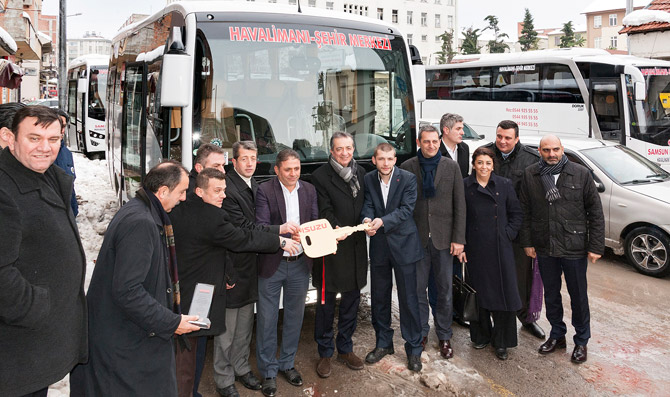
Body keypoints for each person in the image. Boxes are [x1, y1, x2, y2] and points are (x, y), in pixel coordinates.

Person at [70, 161, 201, 396]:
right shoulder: (141, 223)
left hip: (126, 338)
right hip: (125, 345)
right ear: (163, 192)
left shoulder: (140, 209)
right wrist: (171, 322)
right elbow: (128, 291)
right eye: (182, 192)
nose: (183, 198)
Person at [169, 167, 299, 397]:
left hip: (191, 285)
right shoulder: (212, 216)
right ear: (199, 191)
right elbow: (241, 238)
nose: (223, 195)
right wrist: (278, 242)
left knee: (193, 350)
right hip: (198, 290)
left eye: (224, 190)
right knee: (188, 354)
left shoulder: (185, 208)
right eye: (217, 190)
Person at [0, 106, 87, 397]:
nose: (45, 148)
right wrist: (38, 309)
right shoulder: (4, 190)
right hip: (17, 348)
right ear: (8, 138)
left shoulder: (46, 174)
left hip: (38, 345)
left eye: (54, 139)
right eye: (34, 138)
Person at [213, 141, 299, 397]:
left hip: (252, 266)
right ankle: (223, 378)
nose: (250, 163)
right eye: (244, 159)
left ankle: (241, 368)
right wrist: (279, 233)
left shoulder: (254, 185)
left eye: (253, 158)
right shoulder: (227, 189)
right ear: (234, 162)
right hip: (234, 267)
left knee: (244, 326)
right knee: (226, 330)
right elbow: (243, 230)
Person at [519, 135, 605, 364]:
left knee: (578, 296)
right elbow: (525, 211)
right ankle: (557, 335)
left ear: (562, 149)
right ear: (539, 151)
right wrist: (527, 242)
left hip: (574, 247)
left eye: (555, 149)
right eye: (546, 150)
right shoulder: (531, 174)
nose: (551, 154)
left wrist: (596, 246)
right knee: (552, 294)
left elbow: (595, 212)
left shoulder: (580, 173)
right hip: (545, 245)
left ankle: (581, 340)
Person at [255, 149, 318, 397]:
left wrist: (318, 235)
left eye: (297, 168)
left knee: (295, 317)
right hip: (273, 263)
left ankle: (287, 364)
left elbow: (314, 222)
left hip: (301, 263)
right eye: (288, 169)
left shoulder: (309, 190)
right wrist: (282, 231)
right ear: (277, 170)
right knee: (267, 320)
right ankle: (269, 371)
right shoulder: (265, 190)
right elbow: (260, 227)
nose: (293, 174)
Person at [400, 125, 465, 359]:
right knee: (418, 290)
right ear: (419, 143)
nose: (431, 146)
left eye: (434, 142)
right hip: (416, 240)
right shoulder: (407, 167)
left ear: (439, 142)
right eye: (426, 142)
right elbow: (402, 208)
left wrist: (459, 239)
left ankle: (445, 335)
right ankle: (421, 332)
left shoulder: (452, 167)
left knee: (445, 290)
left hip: (444, 240)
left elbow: (460, 205)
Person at [361, 143, 424, 372]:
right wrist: (367, 219)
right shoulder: (368, 179)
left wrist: (382, 222)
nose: (386, 163)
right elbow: (367, 204)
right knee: (379, 298)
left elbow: (407, 209)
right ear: (374, 160)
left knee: (409, 300)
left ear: (395, 159)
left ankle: (414, 349)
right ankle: (383, 344)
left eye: (389, 159)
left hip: (405, 246)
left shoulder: (407, 179)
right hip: (379, 247)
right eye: (381, 159)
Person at [481, 120, 545, 340]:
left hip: (518, 232)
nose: (502, 141)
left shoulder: (531, 160)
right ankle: (488, 319)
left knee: (521, 278)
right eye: (499, 136)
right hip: (489, 229)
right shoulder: (486, 154)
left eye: (508, 137)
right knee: (489, 276)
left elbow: (536, 201)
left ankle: (526, 319)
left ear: (517, 138)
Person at [311, 132, 368, 378]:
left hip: (355, 246)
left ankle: (345, 348)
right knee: (325, 304)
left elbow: (367, 202)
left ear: (353, 149)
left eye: (348, 148)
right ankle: (324, 352)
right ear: (331, 151)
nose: (344, 153)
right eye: (339, 149)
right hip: (331, 247)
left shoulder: (363, 173)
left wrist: (367, 219)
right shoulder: (320, 177)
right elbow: (323, 209)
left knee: (351, 302)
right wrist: (335, 228)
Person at [458, 147, 523, 360]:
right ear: (473, 164)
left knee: (503, 295)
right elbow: (461, 218)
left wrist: (508, 233)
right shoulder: (465, 186)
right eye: (480, 163)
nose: (484, 167)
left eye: (488, 163)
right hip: (476, 248)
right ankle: (481, 336)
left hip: (500, 249)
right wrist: (463, 246)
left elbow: (516, 213)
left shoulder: (504, 185)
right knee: (478, 294)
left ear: (493, 165)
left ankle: (502, 341)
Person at [53, 109, 78, 216]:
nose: (62, 130)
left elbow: (70, 185)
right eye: (58, 125)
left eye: (63, 126)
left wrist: (74, 210)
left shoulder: (66, 153)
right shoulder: (40, 153)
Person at [439, 113, 470, 178]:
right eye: (458, 129)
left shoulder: (465, 148)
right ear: (446, 130)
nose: (462, 133)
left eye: (462, 128)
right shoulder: (434, 149)